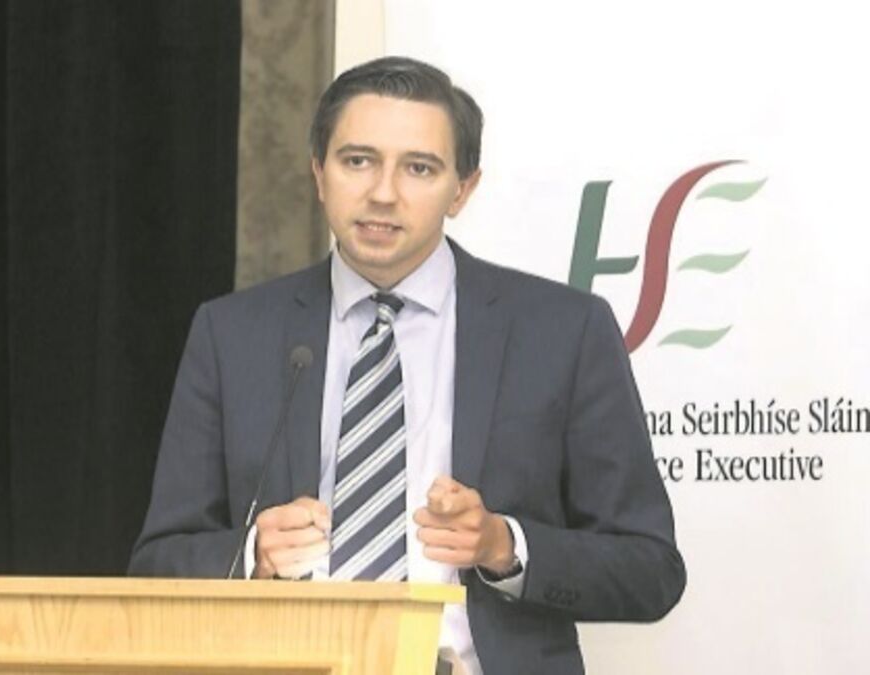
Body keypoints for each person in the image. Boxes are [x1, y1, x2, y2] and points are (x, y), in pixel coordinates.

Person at [129, 56, 685, 674]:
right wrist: (252, 553)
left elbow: (651, 570)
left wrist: (506, 547)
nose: (383, 193)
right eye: (357, 161)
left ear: (463, 189)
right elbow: (156, 563)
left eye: (419, 167)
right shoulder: (232, 333)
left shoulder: (562, 331)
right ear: (318, 173)